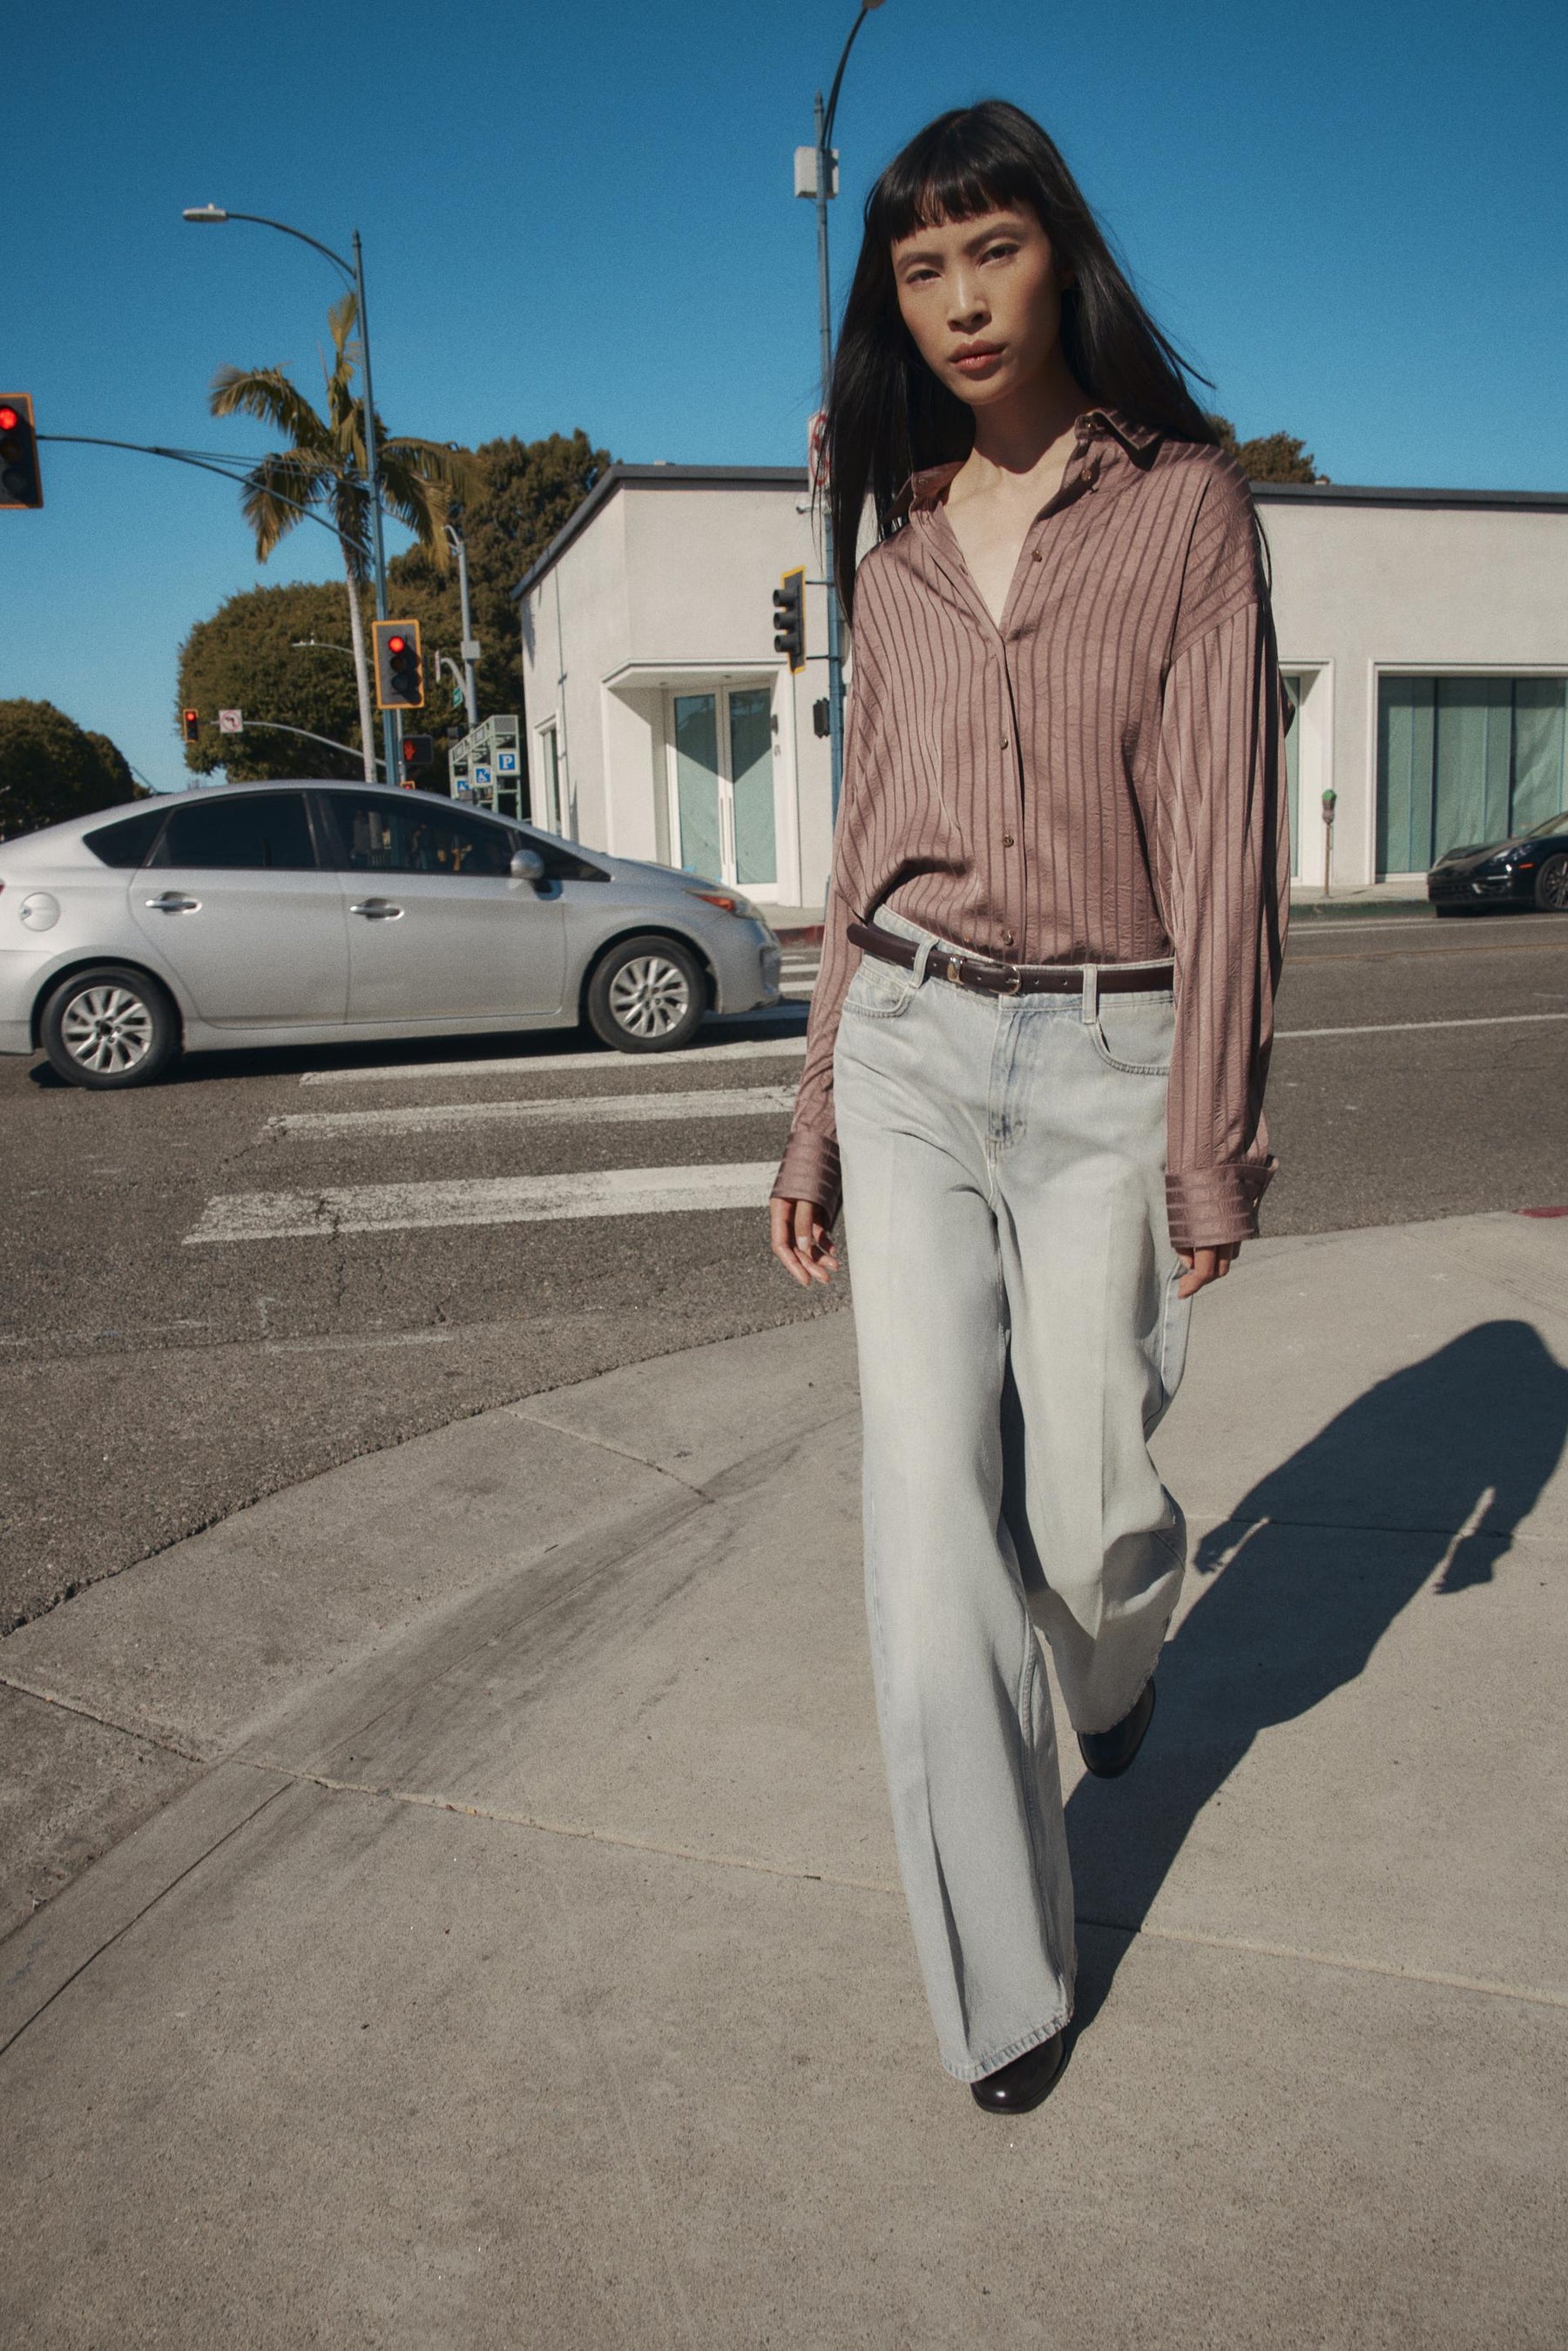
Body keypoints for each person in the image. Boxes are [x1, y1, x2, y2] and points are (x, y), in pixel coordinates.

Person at [768, 99, 1289, 2116]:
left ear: (1058, 254)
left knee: (1088, 1528)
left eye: (992, 252)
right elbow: (857, 854)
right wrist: (812, 1109)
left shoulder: (1187, 509)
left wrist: (1208, 1143)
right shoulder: (891, 559)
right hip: (905, 1048)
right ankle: (1005, 1988)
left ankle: (1119, 1674)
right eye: (920, 269)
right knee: (923, 1528)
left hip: (1103, 1056)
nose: (963, 301)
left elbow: (1226, 843)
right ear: (889, 302)